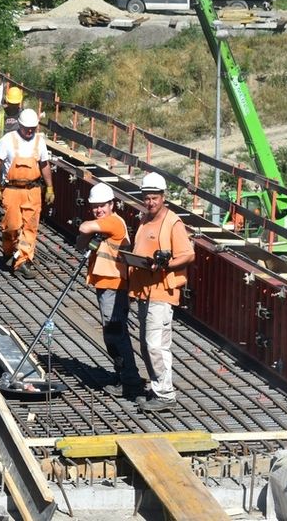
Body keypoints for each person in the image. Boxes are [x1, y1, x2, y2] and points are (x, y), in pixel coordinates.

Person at [129, 171, 195, 412]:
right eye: (147, 197)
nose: (150, 202)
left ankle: (165, 394)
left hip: (162, 291)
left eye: (154, 198)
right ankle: (158, 388)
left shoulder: (172, 222)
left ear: (163, 197)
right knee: (147, 345)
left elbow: (188, 254)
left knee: (156, 345)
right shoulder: (145, 220)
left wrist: (166, 264)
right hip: (144, 290)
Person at [77, 182, 143, 400]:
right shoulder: (103, 225)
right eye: (95, 206)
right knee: (112, 333)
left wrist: (92, 226)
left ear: (112, 204)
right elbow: (80, 243)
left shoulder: (113, 222)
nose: (98, 210)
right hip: (106, 286)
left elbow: (84, 229)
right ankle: (123, 376)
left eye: (102, 205)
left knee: (116, 333)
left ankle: (130, 381)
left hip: (115, 286)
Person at [0, 108, 54, 279]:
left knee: (30, 228)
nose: (30, 131)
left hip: (33, 191)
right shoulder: (8, 140)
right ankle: (9, 252)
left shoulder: (39, 142)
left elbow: (45, 165)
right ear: (20, 125)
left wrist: (50, 187)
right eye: (27, 128)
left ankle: (22, 260)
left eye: (33, 128)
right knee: (12, 226)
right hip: (12, 190)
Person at [0, 86, 24, 157]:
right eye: (12, 104)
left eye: (15, 104)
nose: (13, 106)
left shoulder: (23, 114)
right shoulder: (0, 114)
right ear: (7, 102)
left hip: (18, 149)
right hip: (2, 148)